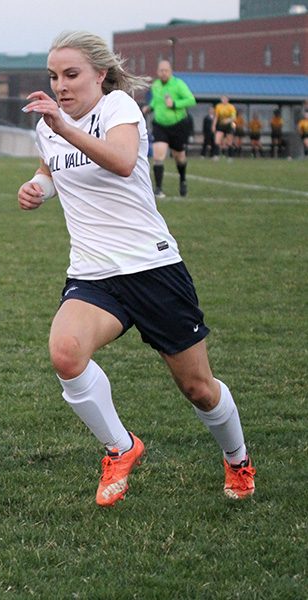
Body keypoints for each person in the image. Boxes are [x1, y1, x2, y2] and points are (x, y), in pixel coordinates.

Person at [17, 31, 255, 507]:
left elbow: (124, 162)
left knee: (198, 388)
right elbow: (51, 170)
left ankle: (237, 459)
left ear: (100, 75)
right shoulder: (48, 125)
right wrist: (37, 188)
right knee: (66, 354)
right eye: (53, 76)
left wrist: (63, 126)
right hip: (92, 273)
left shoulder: (119, 109)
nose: (60, 85)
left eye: (71, 74)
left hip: (152, 268)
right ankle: (121, 449)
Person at [141, 60, 195, 198]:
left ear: (170, 71)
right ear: (157, 72)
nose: (163, 73)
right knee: (158, 156)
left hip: (177, 125)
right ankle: (158, 189)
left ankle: (182, 179)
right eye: (161, 70)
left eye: (166, 70)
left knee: (179, 157)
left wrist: (175, 103)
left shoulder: (178, 84)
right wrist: (149, 107)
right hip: (160, 125)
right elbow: (156, 101)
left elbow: (191, 100)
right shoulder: (156, 85)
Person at [212, 96, 236, 160]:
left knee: (229, 142)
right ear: (221, 100)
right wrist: (213, 125)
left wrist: (228, 120)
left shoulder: (231, 107)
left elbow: (233, 117)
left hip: (229, 126)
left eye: (225, 99)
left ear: (228, 100)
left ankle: (230, 157)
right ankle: (216, 156)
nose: (224, 100)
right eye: (223, 99)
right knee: (217, 140)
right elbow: (216, 117)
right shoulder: (218, 106)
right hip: (221, 125)